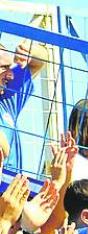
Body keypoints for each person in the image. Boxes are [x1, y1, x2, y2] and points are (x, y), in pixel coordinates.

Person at [0, 39, 48, 173]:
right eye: (4, 67)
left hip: (13, 189)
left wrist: (29, 51)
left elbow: (40, 60)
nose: (10, 75)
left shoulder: (7, 100)